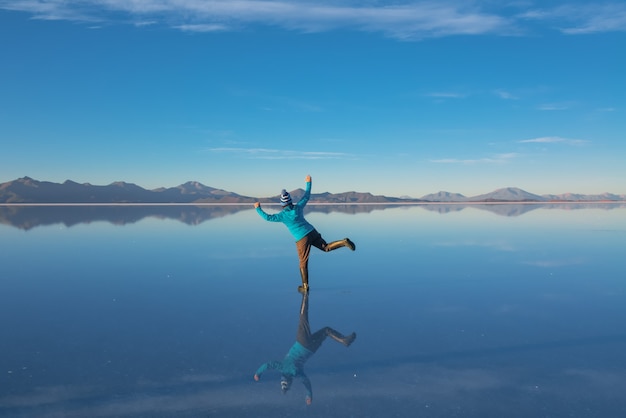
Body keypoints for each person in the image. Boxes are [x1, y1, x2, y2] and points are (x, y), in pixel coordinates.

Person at [254, 174, 355, 293]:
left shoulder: (282, 216)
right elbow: (306, 196)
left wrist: (258, 208)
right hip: (312, 231)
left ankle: (305, 286)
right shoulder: (298, 207)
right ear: (290, 201)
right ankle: (343, 242)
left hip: (302, 239)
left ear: (282, 204)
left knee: (303, 262)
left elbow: (268, 218)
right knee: (326, 247)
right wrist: (308, 182)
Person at [253, 291, 356, 405]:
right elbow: (267, 365)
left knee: (326, 330)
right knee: (303, 317)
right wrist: (258, 373)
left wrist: (309, 395)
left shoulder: (298, 373)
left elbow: (306, 382)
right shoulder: (282, 367)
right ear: (283, 378)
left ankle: (344, 341)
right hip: (302, 342)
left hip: (311, 350)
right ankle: (305, 295)